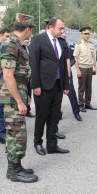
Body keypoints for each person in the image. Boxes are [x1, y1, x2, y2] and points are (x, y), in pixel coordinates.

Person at [0, 13, 38, 183]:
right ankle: (15, 171)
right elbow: (8, 75)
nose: (31, 33)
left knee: (17, 131)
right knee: (16, 133)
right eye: (31, 30)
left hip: (17, 91)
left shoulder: (15, 43)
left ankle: (15, 167)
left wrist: (24, 94)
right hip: (11, 96)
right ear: (27, 29)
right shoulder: (11, 44)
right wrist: (19, 101)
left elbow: (20, 75)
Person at [30, 17, 70, 156]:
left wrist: (66, 84)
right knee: (42, 116)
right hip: (43, 86)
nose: (62, 31)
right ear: (50, 27)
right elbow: (33, 63)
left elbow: (63, 65)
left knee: (54, 117)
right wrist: (35, 85)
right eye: (60, 28)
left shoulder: (61, 42)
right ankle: (38, 142)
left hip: (58, 85)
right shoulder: (38, 40)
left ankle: (52, 145)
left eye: (63, 28)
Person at [74, 26, 97, 113]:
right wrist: (78, 70)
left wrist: (95, 67)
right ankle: (81, 105)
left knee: (89, 87)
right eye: (85, 34)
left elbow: (93, 56)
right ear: (82, 35)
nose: (87, 35)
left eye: (88, 34)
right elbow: (75, 58)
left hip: (89, 68)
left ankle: (87, 103)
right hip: (82, 68)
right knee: (81, 88)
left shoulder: (91, 44)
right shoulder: (78, 45)